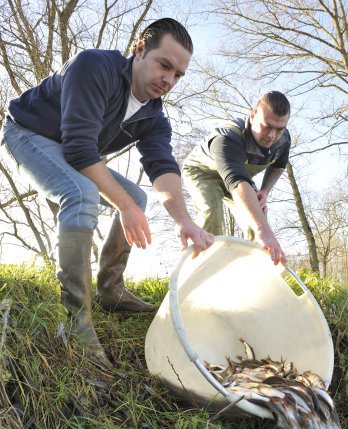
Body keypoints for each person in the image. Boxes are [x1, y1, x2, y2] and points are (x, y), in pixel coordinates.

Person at [0, 17, 214, 370]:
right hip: (26, 133)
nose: (169, 80)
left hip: (68, 147)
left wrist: (183, 220)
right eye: (164, 65)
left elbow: (162, 167)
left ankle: (110, 291)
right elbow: (82, 151)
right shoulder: (94, 66)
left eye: (178, 74)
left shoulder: (154, 117)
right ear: (140, 49)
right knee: (82, 193)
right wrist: (124, 204)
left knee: (139, 199)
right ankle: (77, 320)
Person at [183, 91, 290, 265]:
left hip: (240, 178)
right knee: (212, 216)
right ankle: (205, 270)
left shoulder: (283, 140)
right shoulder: (228, 137)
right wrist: (264, 230)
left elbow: (278, 166)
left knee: (257, 218)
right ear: (253, 115)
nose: (272, 135)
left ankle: (255, 272)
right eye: (267, 126)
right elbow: (237, 183)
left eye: (279, 129)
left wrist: (265, 190)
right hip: (204, 174)